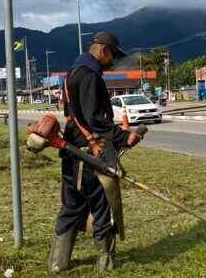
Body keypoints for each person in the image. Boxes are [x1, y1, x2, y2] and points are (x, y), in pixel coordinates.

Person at [48, 31, 142, 273]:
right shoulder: (90, 76)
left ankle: (58, 263)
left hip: (72, 152)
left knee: (71, 206)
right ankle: (106, 262)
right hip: (91, 155)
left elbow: (74, 115)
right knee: (104, 207)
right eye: (113, 56)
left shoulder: (73, 73)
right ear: (103, 50)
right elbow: (95, 120)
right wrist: (124, 136)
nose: (113, 62)